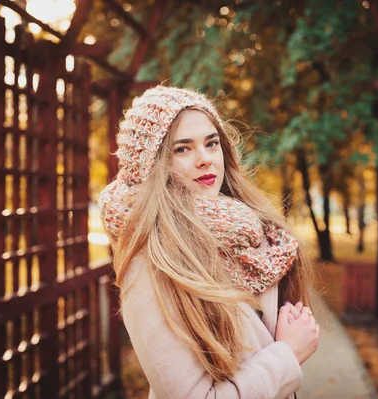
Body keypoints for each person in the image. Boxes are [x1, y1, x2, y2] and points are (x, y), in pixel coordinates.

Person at [98, 86, 319, 398]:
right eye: (182, 149)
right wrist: (287, 354)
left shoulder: (247, 233)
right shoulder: (151, 260)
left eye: (211, 143)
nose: (205, 159)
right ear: (150, 166)